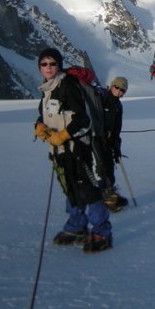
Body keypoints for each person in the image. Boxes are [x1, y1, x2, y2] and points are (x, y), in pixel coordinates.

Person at [34, 48, 112, 253]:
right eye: (44, 64)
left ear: (59, 65)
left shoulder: (68, 86)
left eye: (52, 63)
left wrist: (63, 135)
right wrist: (39, 126)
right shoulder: (48, 89)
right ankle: (77, 225)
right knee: (70, 187)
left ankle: (102, 231)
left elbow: (82, 120)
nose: (48, 67)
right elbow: (45, 115)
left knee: (88, 188)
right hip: (59, 150)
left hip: (77, 148)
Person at [101, 77, 130, 212]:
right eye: (117, 88)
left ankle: (110, 197)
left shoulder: (118, 105)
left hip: (109, 141)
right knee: (99, 171)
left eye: (122, 90)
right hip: (95, 140)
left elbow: (117, 128)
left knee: (109, 169)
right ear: (112, 86)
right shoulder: (101, 98)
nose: (119, 91)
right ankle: (104, 199)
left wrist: (116, 146)